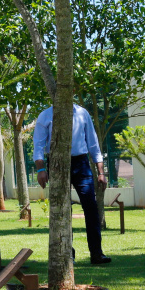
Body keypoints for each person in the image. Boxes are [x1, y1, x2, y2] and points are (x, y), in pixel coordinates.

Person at [33, 103, 111, 265]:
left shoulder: (83, 113)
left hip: (81, 163)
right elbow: (38, 145)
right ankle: (67, 254)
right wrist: (41, 169)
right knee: (62, 210)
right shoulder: (46, 115)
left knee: (91, 207)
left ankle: (97, 254)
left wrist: (101, 172)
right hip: (56, 163)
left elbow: (93, 144)